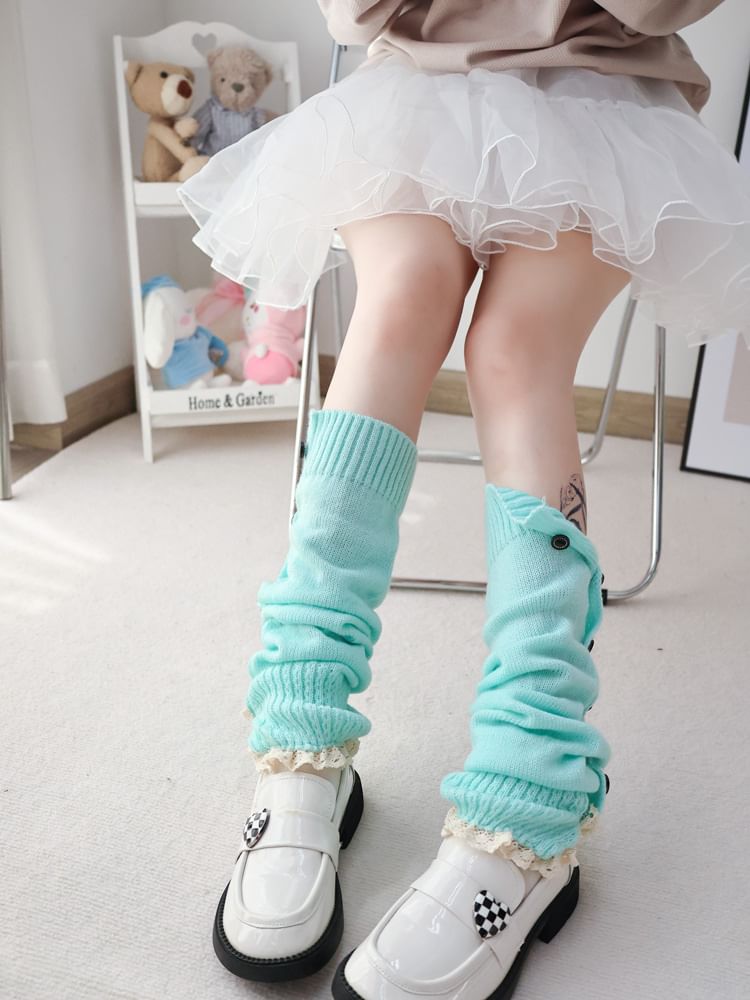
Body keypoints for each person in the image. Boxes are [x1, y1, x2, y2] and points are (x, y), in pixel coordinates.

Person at [177, 3, 750, 997]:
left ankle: (534, 794)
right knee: (398, 306)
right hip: (418, 82)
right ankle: (301, 739)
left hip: (603, 92)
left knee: (513, 350)